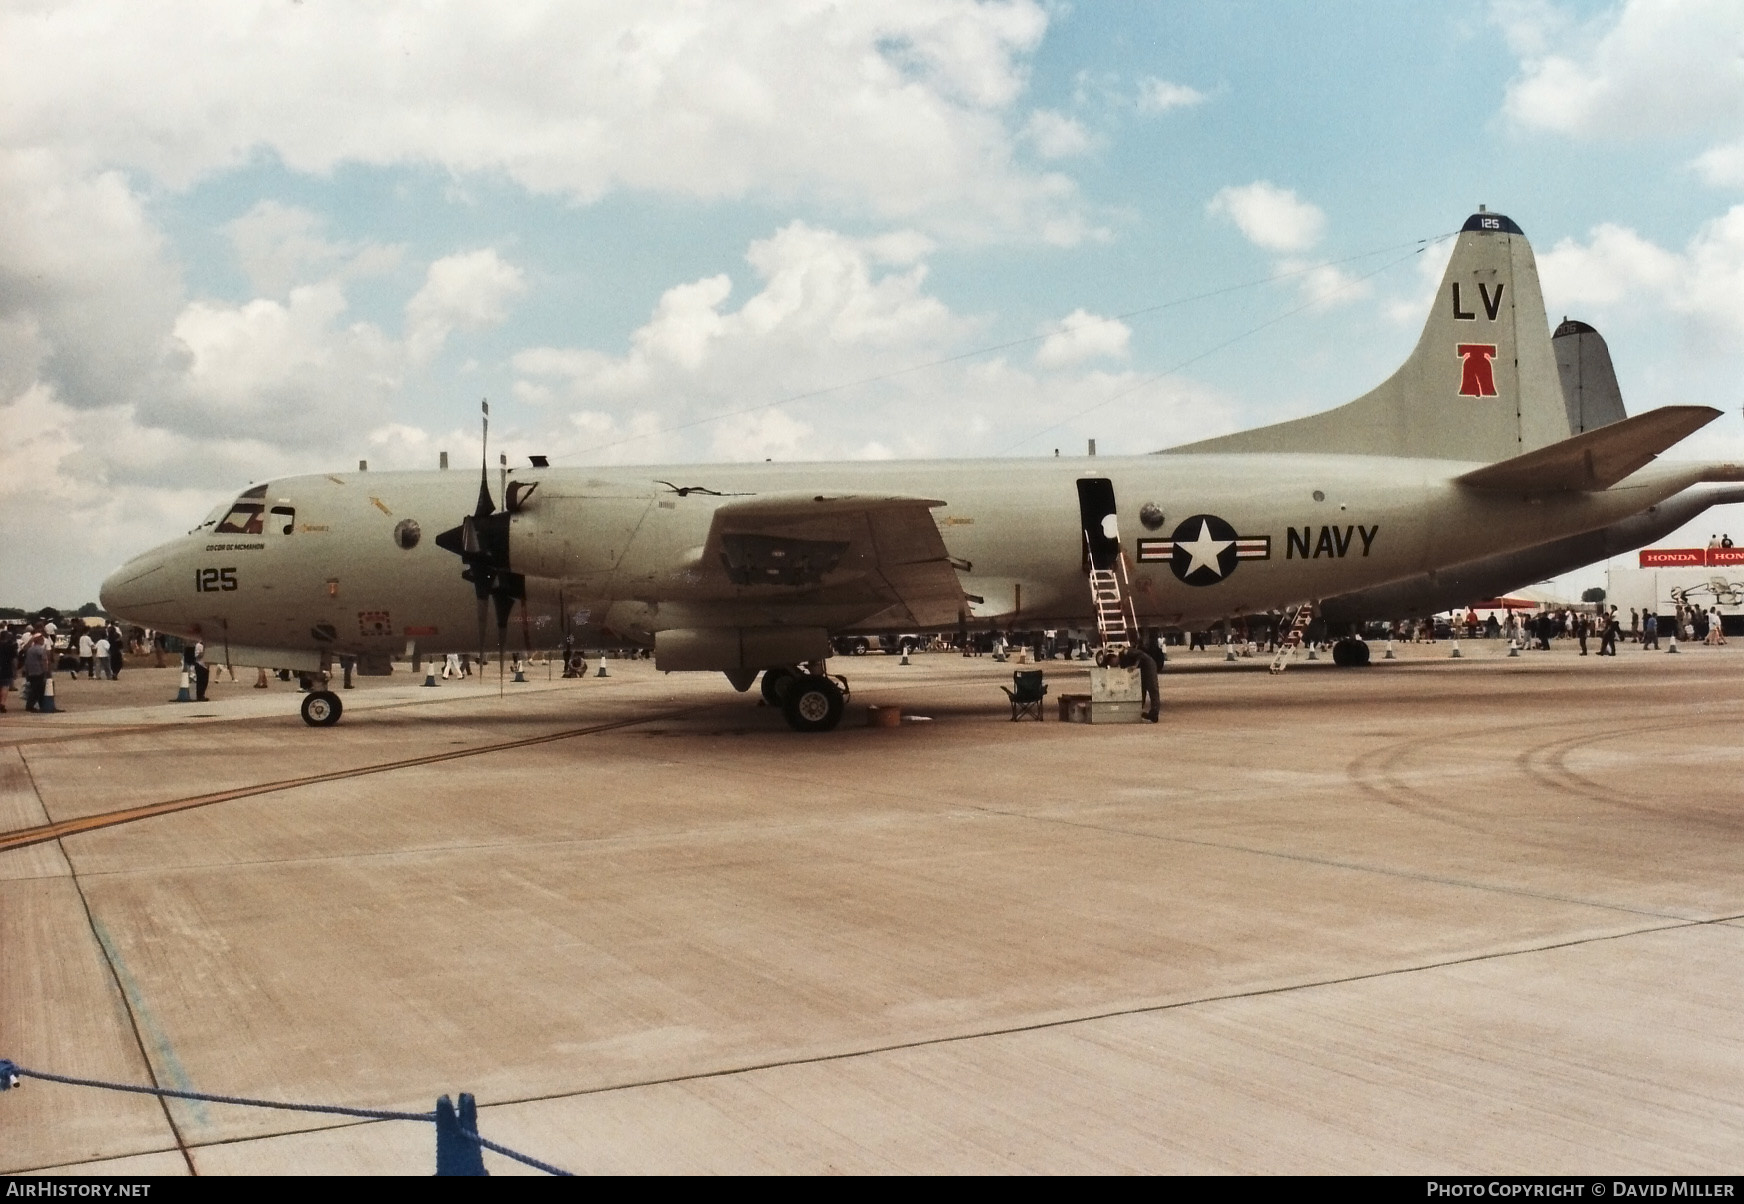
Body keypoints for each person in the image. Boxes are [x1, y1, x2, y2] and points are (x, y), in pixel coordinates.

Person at [1116, 645, 1161, 723]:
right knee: (1141, 689)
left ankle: (1154, 713)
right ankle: (1138, 710)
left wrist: (1135, 666)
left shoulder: (1126, 652)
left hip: (1148, 665)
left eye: (1111, 661)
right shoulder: (1121, 662)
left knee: (1152, 688)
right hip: (1141, 669)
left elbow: (1140, 654)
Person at [21, 630, 51, 712]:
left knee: (35, 689)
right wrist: (46, 671)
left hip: (31, 672)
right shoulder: (40, 649)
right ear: (38, 640)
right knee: (38, 690)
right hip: (39, 672)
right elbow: (44, 660)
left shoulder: (30, 650)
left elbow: (27, 662)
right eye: (41, 639)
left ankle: (39, 704)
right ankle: (31, 706)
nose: (43, 641)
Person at [0, 625, 16, 713]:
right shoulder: (10, 647)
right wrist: (15, 670)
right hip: (6, 667)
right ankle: (2, 703)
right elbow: (13, 659)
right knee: (5, 686)